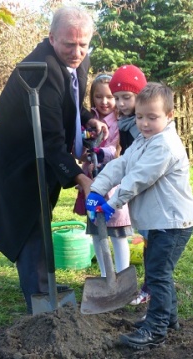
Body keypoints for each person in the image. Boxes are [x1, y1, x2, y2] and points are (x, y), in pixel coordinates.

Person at [0, 6, 107, 314]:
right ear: (51, 38)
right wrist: (79, 177)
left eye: (83, 44)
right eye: (69, 44)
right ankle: (38, 293)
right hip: (15, 156)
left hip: (40, 146)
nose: (77, 52)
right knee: (30, 219)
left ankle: (41, 282)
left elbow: (67, 102)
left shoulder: (78, 60)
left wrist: (86, 118)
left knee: (42, 211)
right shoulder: (39, 69)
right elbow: (49, 139)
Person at [86, 82, 193, 349]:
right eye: (139, 117)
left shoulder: (165, 145)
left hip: (173, 222)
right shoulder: (145, 140)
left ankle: (155, 329)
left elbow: (138, 178)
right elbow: (122, 164)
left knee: (158, 275)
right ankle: (168, 319)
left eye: (152, 117)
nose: (144, 123)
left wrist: (112, 203)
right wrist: (97, 190)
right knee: (160, 272)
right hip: (160, 221)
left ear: (169, 116)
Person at [75, 73, 132, 277]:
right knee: (97, 232)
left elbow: (117, 152)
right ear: (92, 98)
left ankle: (122, 274)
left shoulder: (119, 122)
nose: (105, 102)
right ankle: (105, 276)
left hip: (114, 185)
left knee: (117, 230)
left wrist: (100, 152)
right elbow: (78, 151)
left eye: (110, 97)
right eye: (99, 97)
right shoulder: (87, 120)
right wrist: (84, 154)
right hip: (92, 183)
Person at [108, 64, 152, 305]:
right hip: (136, 188)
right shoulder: (125, 122)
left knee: (151, 241)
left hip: (149, 190)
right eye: (117, 98)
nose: (121, 103)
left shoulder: (142, 125)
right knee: (146, 237)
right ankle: (149, 286)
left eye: (127, 97)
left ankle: (150, 288)